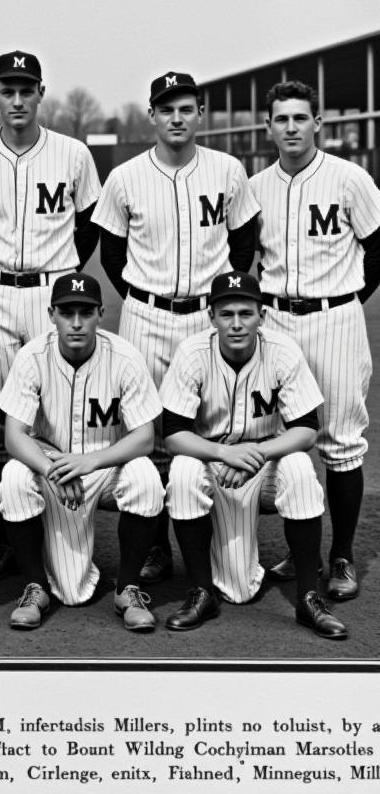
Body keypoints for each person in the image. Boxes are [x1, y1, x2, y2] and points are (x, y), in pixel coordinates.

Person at [92, 70, 259, 584]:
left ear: (200, 114)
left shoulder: (228, 171)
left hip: (206, 317)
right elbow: (112, 251)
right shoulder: (124, 177)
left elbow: (244, 243)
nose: (177, 117)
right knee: (151, 433)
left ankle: (207, 540)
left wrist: (218, 301)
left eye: (186, 108)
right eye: (167, 109)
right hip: (146, 313)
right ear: (153, 116)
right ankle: (156, 547)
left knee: (205, 426)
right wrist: (143, 299)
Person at [0, 50, 101, 581]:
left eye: (25, 89)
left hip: (53, 289)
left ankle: (56, 529)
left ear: (40, 93)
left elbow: (88, 229)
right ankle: (8, 540)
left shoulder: (74, 154)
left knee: (52, 413)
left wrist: (56, 276)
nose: (16, 99)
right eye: (7, 90)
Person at [159, 271, 346, 639]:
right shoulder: (192, 353)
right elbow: (174, 435)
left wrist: (256, 453)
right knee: (181, 471)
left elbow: (307, 430)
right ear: (211, 317)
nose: (237, 324)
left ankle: (309, 595)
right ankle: (201, 591)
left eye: (246, 313)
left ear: (262, 315)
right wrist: (223, 454)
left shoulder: (283, 350)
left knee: (299, 467)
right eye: (227, 314)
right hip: (213, 465)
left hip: (267, 462)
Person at [249, 80, 380, 601]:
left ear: (317, 123)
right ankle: (299, 550)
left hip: (336, 320)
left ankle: (342, 555)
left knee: (342, 442)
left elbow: (378, 247)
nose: (291, 128)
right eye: (281, 119)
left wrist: (347, 299)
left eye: (300, 118)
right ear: (268, 127)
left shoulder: (351, 179)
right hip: (277, 321)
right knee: (286, 440)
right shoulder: (256, 186)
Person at [0, 272, 164, 632]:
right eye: (67, 312)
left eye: (85, 313)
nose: (76, 322)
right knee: (12, 477)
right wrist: (51, 469)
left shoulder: (124, 357)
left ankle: (128, 588)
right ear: (51, 313)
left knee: (146, 476)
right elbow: (14, 437)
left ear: (101, 313)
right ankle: (35, 586)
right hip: (50, 465)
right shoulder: (32, 357)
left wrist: (89, 462)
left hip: (104, 465)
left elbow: (145, 438)